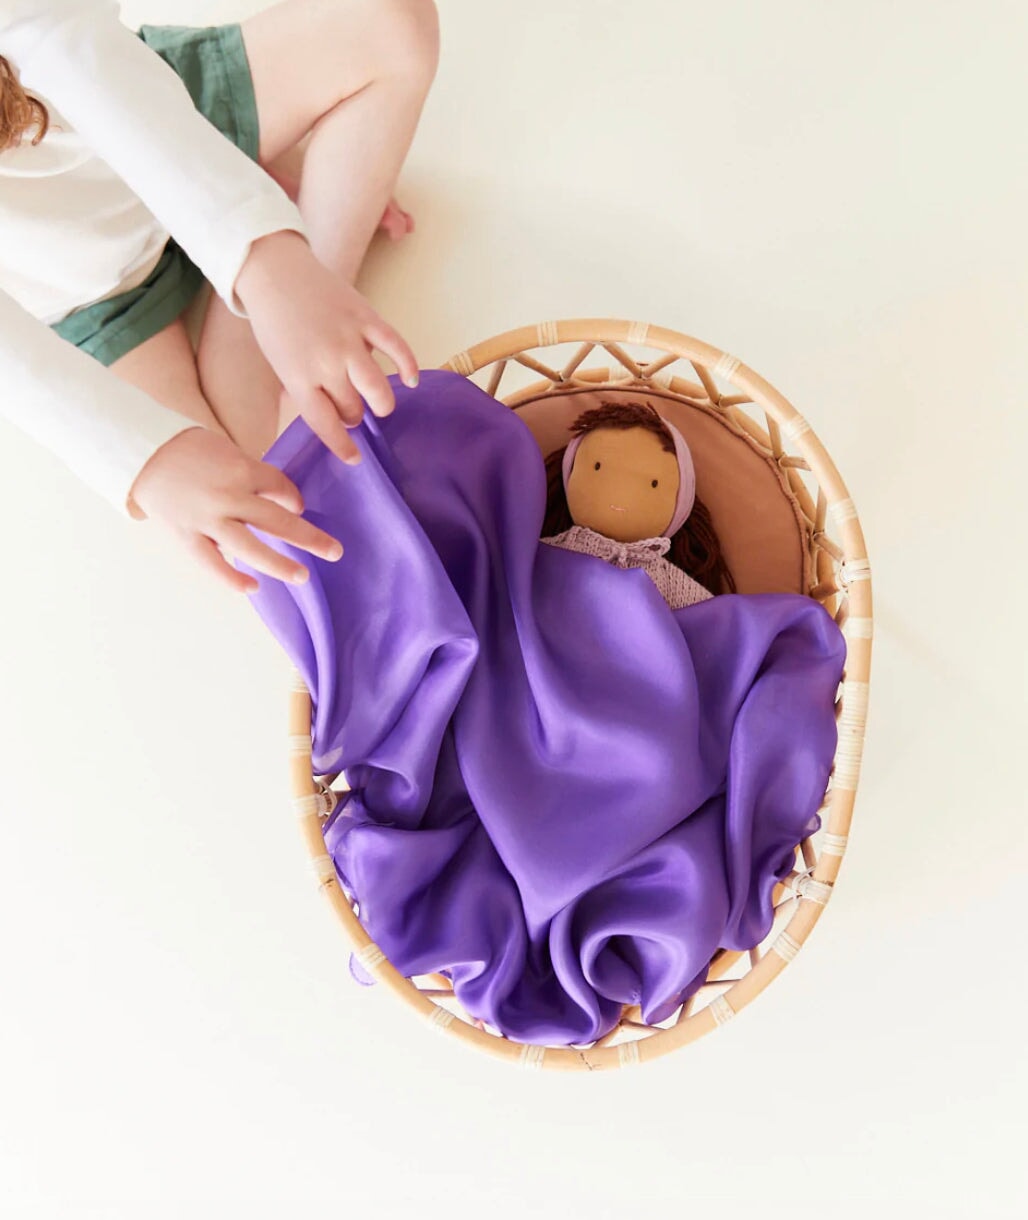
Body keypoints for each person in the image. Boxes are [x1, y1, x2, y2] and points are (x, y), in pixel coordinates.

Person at [0, 0, 440, 593]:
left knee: (391, 19)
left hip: (154, 119)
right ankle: (281, 248)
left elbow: (58, 39)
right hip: (88, 299)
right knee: (268, 518)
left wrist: (272, 261)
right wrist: (144, 461)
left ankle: (305, 273)